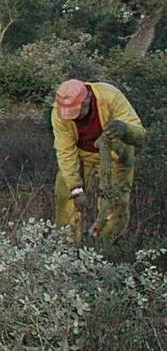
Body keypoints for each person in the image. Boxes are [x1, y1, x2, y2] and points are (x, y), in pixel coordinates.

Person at [52, 79, 145, 244]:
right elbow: (65, 151)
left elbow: (140, 135)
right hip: (82, 155)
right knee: (65, 193)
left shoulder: (110, 96)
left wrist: (124, 129)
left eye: (77, 111)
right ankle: (66, 248)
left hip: (116, 155)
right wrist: (76, 189)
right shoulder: (59, 112)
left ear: (87, 98)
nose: (74, 117)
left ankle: (107, 245)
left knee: (117, 202)